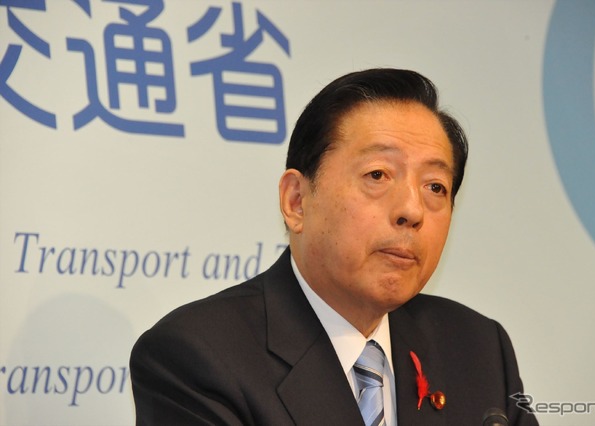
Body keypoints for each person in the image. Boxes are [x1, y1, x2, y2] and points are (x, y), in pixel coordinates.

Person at [130, 68, 538, 426]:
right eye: (377, 175)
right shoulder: (198, 356)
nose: (412, 210)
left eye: (435, 186)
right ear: (297, 201)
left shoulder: (477, 348)